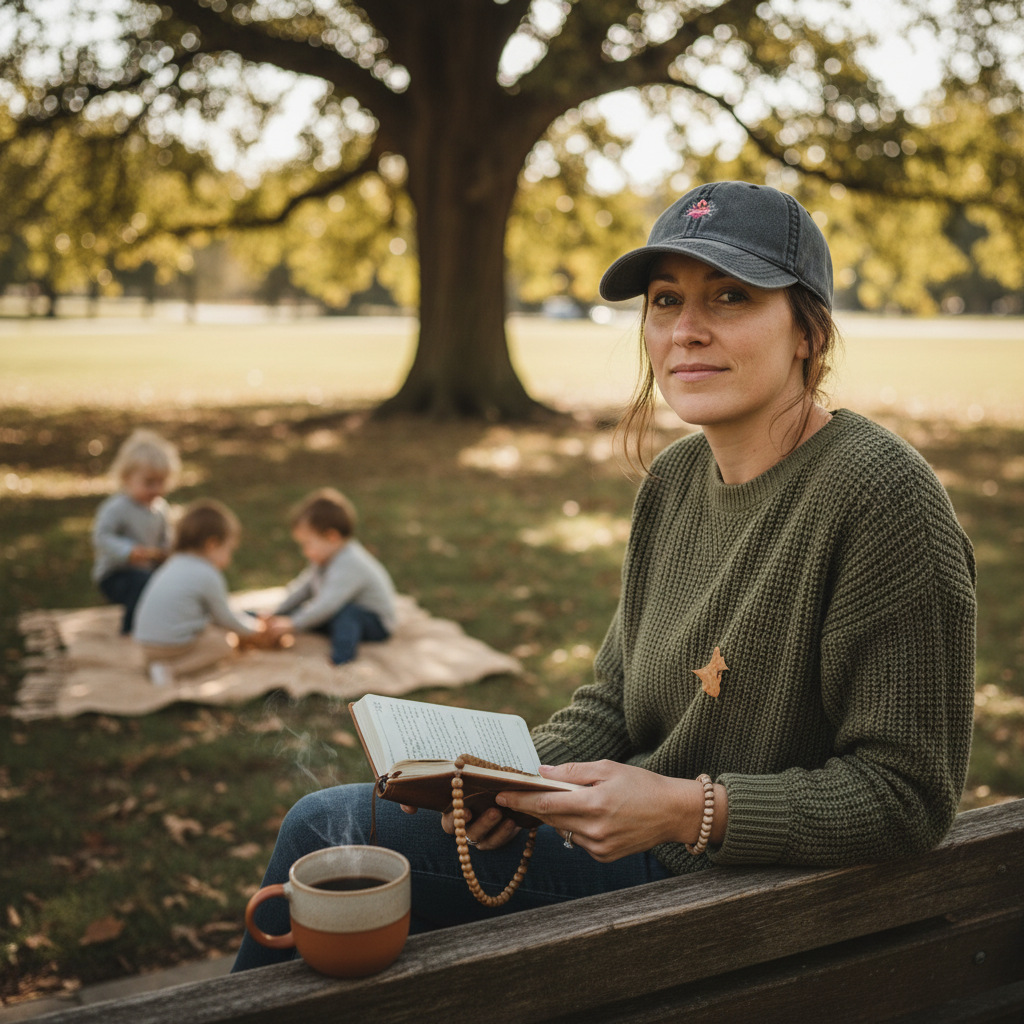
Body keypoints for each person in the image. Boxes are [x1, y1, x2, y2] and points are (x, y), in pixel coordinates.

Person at [232, 181, 976, 973]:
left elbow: (908, 797)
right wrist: (515, 785)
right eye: (665, 301)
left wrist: (689, 810)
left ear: (805, 330)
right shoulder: (677, 479)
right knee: (353, 846)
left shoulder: (881, 496)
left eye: (730, 296)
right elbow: (615, 699)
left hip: (744, 893)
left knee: (323, 831)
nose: (687, 330)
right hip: (637, 836)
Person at [133, 499, 263, 685]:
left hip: (145, 643)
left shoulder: (173, 563)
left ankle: (156, 664)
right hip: (171, 646)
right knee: (223, 644)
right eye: (229, 550)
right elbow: (224, 618)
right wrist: (254, 630)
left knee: (205, 630)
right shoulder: (207, 573)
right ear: (212, 544)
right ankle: (171, 670)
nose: (230, 558)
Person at [262, 488, 397, 665]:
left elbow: (328, 604)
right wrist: (277, 612)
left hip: (374, 623)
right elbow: (303, 589)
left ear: (332, 537)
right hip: (335, 613)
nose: (305, 551)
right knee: (310, 610)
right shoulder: (323, 559)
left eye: (307, 544)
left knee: (346, 613)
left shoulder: (351, 563)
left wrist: (293, 624)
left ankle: (341, 658)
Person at [91, 429, 178, 634]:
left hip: (148, 570)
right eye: (149, 483)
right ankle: (131, 629)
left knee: (172, 580)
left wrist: (168, 553)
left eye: (161, 482)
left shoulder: (160, 509)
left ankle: (167, 622)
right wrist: (128, 551)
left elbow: (166, 539)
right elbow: (101, 536)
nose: (156, 489)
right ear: (127, 478)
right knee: (141, 583)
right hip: (115, 575)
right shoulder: (117, 507)